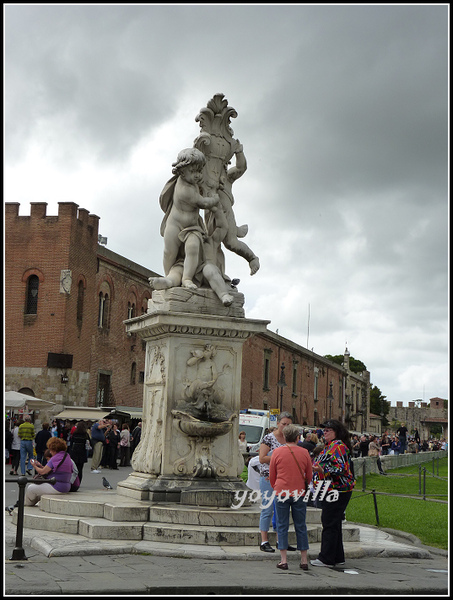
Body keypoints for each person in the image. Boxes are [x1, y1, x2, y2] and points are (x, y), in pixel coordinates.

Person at [157, 147, 220, 290]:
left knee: (193, 249)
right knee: (169, 252)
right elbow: (203, 203)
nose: (197, 175)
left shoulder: (192, 182)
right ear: (181, 171)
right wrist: (215, 199)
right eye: (193, 172)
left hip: (192, 228)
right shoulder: (185, 189)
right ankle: (169, 277)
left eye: (199, 171)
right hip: (174, 224)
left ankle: (186, 278)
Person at [311, 419, 355, 568]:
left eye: (328, 430)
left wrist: (322, 470)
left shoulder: (338, 447)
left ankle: (326, 558)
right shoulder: (330, 446)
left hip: (338, 489)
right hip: (333, 489)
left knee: (329, 521)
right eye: (324, 430)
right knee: (334, 523)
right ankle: (337, 556)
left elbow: (341, 468)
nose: (325, 432)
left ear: (336, 432)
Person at [269, 424, 313, 571]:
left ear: (284, 437)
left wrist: (276, 486)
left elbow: (272, 474)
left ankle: (283, 559)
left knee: (282, 525)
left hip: (281, 491)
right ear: (297, 437)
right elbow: (309, 474)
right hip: (299, 492)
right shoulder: (305, 452)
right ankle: (304, 559)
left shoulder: (276, 452)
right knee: (301, 525)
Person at [258, 411, 294, 553]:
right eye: (283, 424)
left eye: (288, 424)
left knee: (283, 511)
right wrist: (279, 458)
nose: (285, 427)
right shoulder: (269, 438)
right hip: (268, 477)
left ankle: (281, 540)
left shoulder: (291, 439)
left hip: (285, 478)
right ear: (278, 423)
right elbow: (262, 458)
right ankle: (264, 541)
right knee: (267, 509)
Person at [24, 437, 74, 506]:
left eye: (50, 450)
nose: (50, 452)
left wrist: (34, 466)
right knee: (37, 491)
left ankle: (26, 505)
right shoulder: (67, 456)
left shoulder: (55, 458)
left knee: (31, 488)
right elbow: (52, 470)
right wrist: (40, 466)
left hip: (56, 486)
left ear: (54, 450)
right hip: (66, 486)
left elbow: (42, 472)